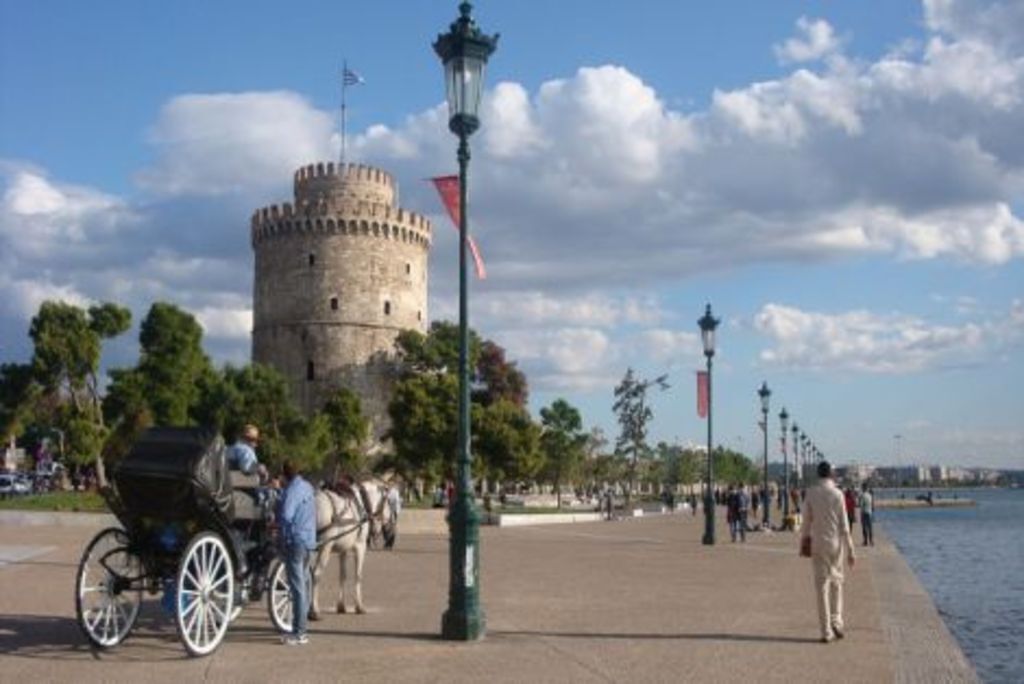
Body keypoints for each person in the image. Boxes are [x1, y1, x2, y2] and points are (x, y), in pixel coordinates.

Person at [800, 461, 856, 643]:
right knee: (837, 583)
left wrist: (804, 541)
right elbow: (844, 524)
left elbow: (806, 522)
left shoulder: (811, 493)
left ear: (818, 475)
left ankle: (826, 632)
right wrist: (851, 549)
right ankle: (837, 621)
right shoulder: (838, 494)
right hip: (835, 543)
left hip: (817, 543)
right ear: (831, 474)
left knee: (821, 588)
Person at [276, 460, 317, 646]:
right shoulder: (307, 486)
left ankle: (299, 632)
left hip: (295, 541)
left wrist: (276, 525)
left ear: (284, 475)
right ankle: (301, 628)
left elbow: (286, 514)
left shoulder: (292, 490)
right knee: (304, 585)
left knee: (297, 588)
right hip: (309, 541)